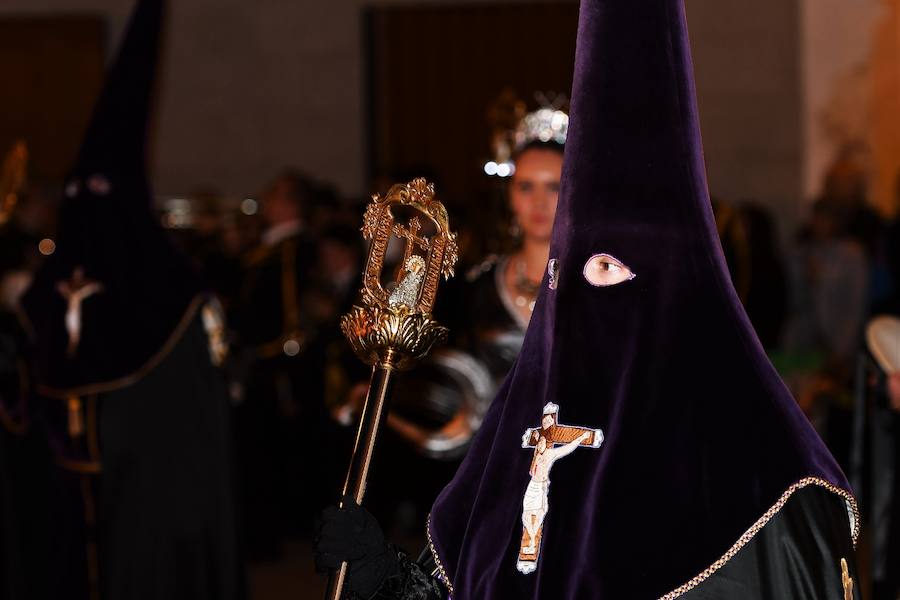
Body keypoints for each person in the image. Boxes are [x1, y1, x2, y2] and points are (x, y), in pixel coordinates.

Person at [315, 0, 860, 597]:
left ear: (672, 293)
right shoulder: (520, 432)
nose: (574, 299)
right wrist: (381, 573)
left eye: (603, 268)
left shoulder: (759, 492)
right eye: (563, 274)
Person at [20, 1, 241, 598]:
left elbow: (190, 431)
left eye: (97, 191)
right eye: (75, 192)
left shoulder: (172, 295)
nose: (84, 205)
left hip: (149, 497)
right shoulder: (53, 280)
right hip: (73, 487)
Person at [230, 169, 322, 557]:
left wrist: (262, 355)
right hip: (265, 366)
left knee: (268, 453)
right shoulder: (272, 249)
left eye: (272, 197)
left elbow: (289, 318)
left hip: (273, 370)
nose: (265, 204)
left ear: (288, 204)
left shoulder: (290, 250)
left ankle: (270, 536)